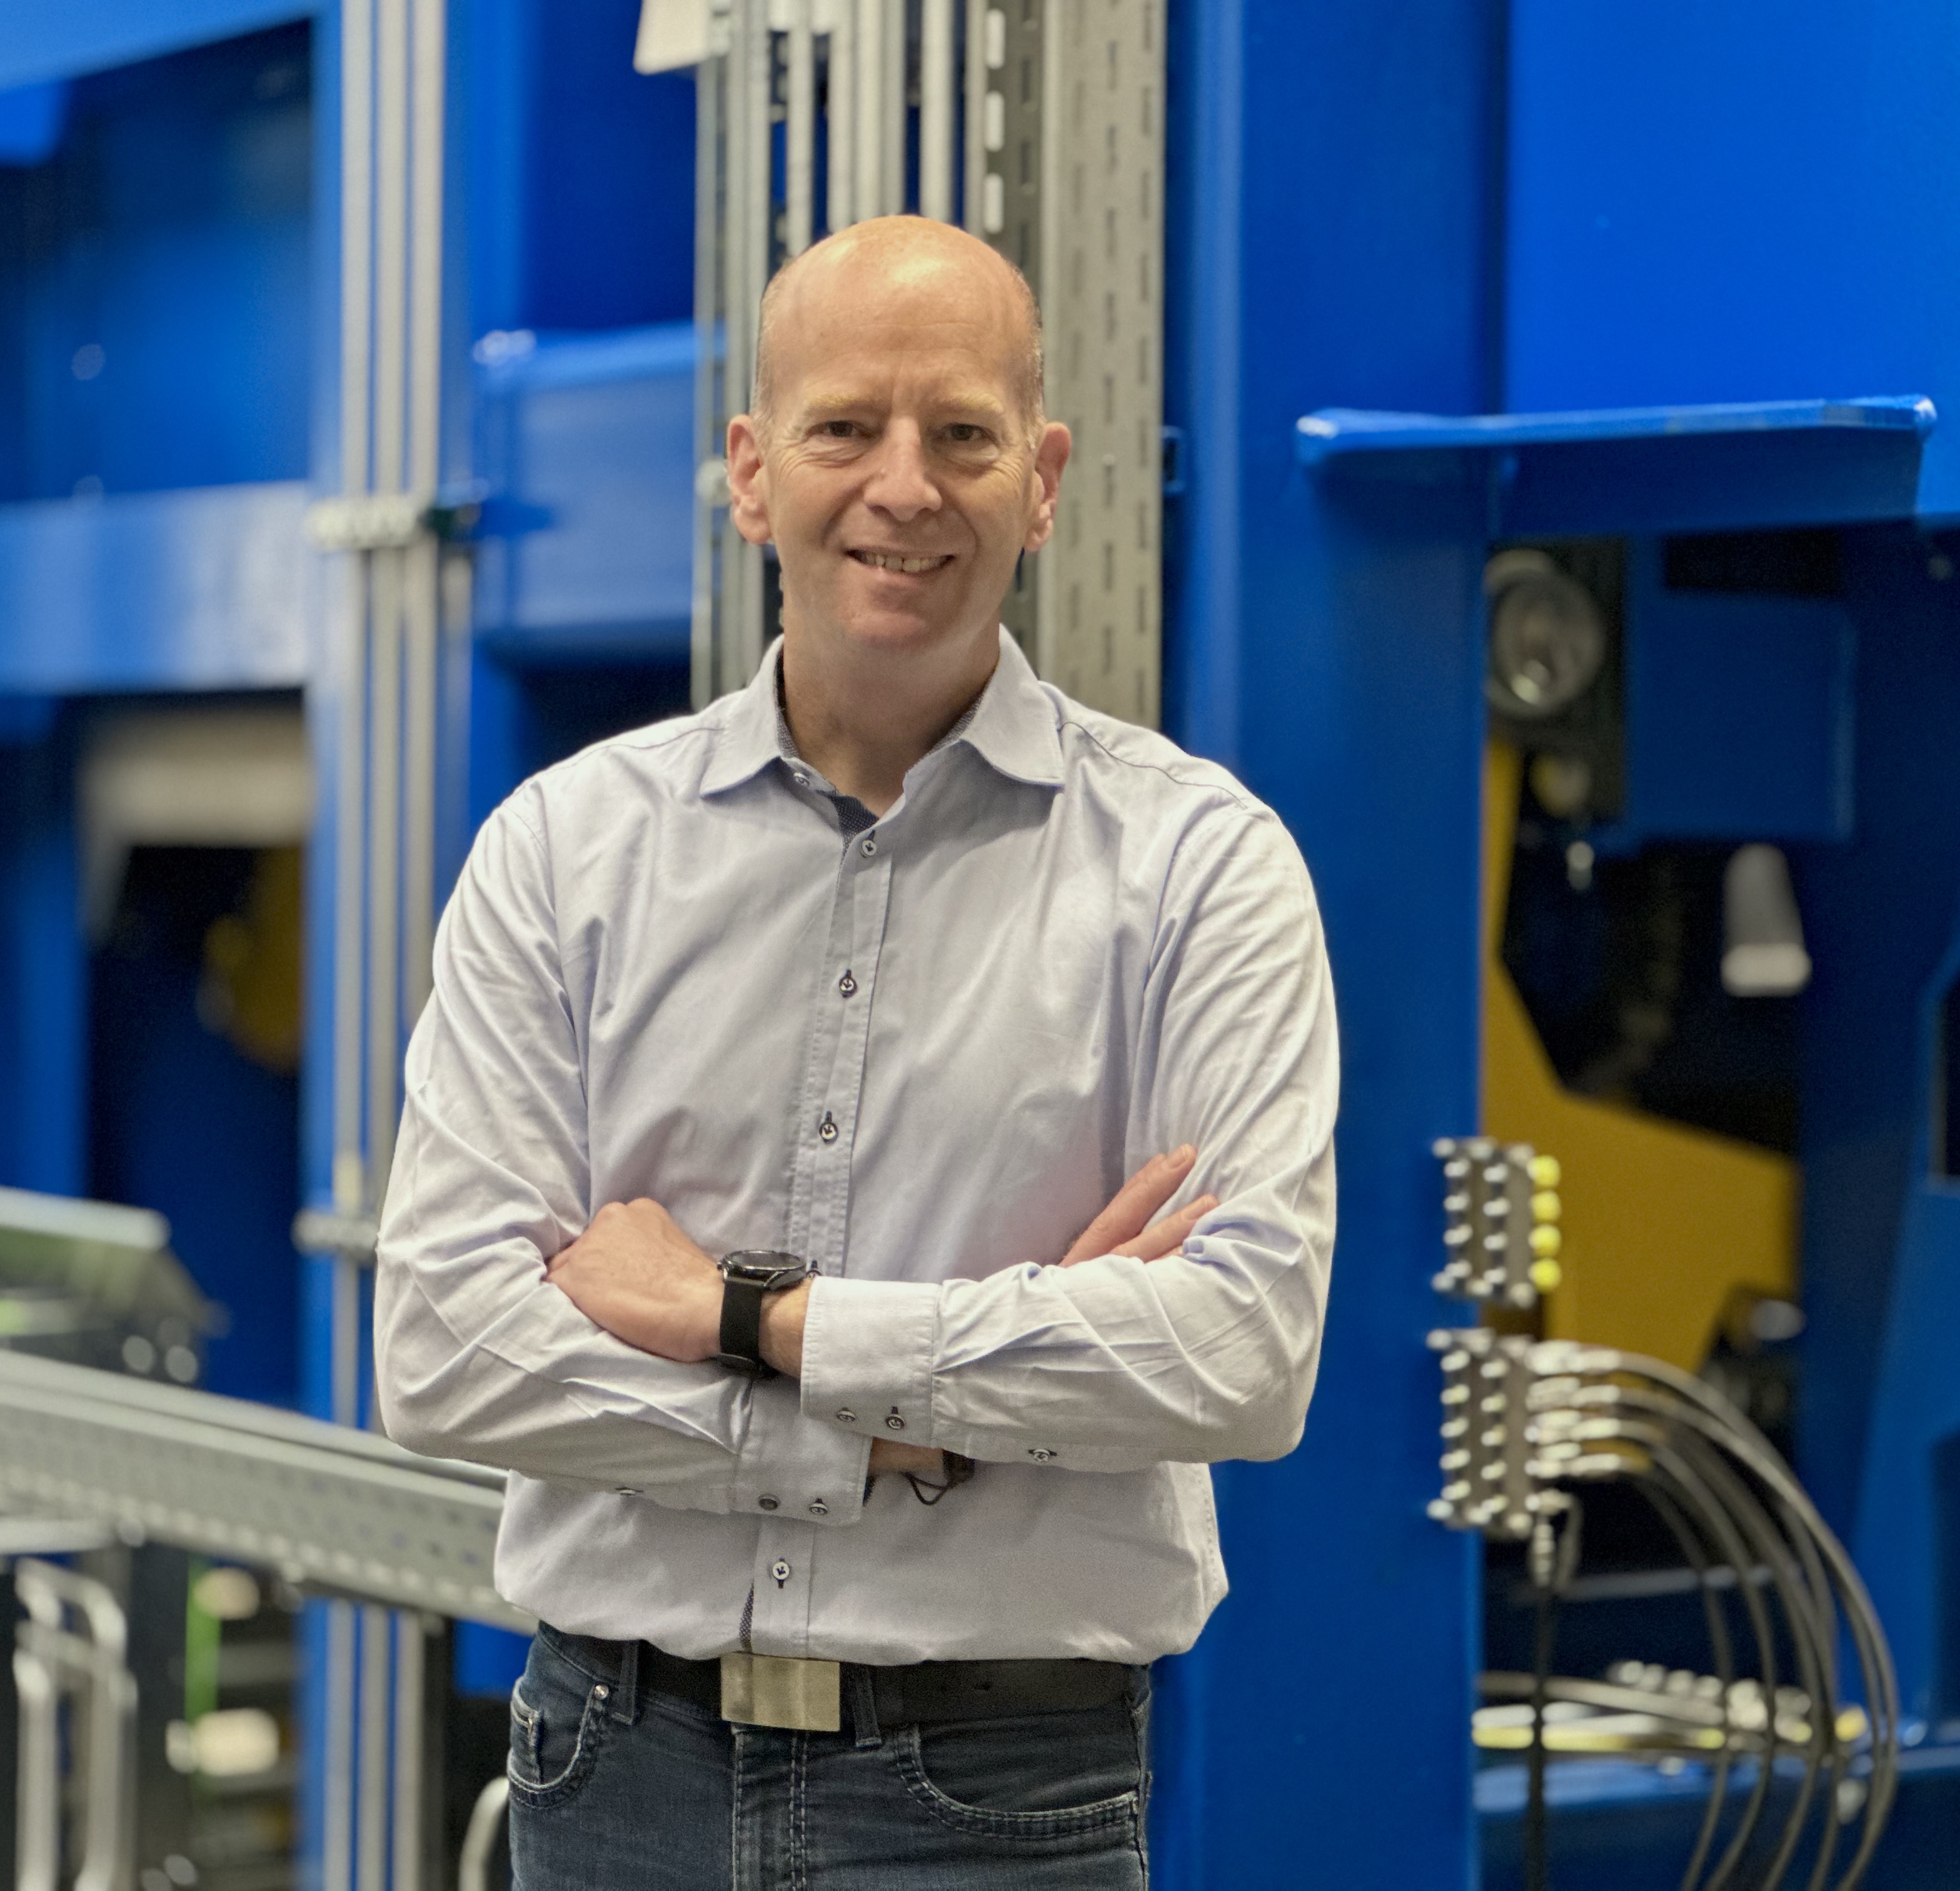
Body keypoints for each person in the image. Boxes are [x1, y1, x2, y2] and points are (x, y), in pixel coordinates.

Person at [374, 214, 1337, 1890]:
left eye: (963, 434)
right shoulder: (565, 852)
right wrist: (895, 1426)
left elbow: (1243, 1352)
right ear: (752, 474)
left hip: (997, 1801)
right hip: (614, 1774)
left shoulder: (1197, 867)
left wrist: (746, 1316)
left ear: (1043, 482)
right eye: (844, 428)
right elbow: (448, 1347)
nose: (906, 486)